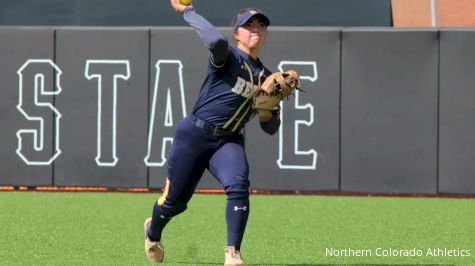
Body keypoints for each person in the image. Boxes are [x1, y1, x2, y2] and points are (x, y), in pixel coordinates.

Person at [144, 1, 280, 265]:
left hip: (228, 140)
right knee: (175, 202)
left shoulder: (269, 79)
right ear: (237, 33)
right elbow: (216, 43)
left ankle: (233, 253)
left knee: (239, 185)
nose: (256, 28)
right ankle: (152, 232)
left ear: (266, 34)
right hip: (194, 135)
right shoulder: (229, 58)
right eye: (248, 24)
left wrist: (266, 111)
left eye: (261, 25)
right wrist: (187, 11)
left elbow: (271, 128)